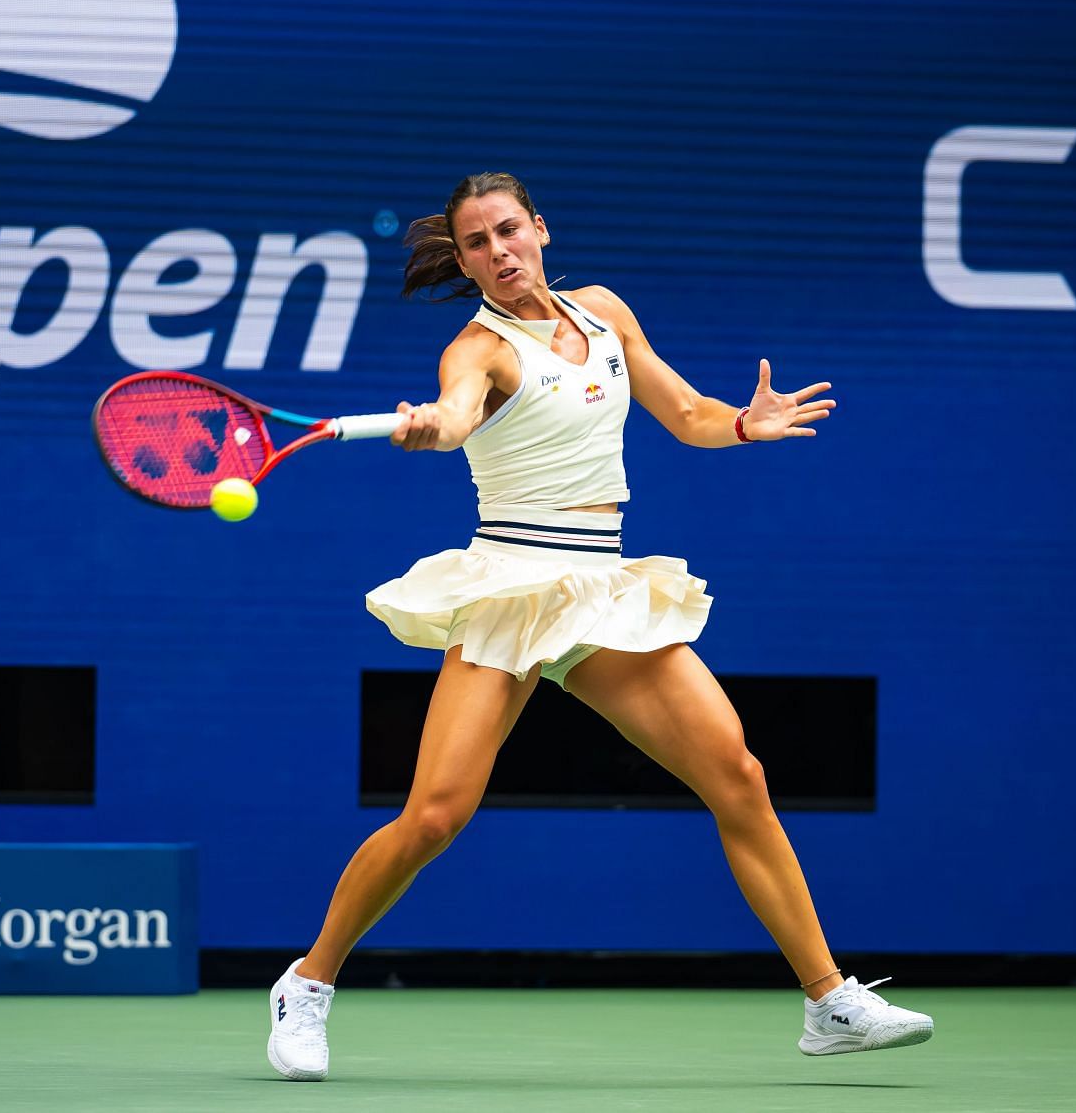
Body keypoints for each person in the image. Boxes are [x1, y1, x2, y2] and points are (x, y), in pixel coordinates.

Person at [266, 173, 933, 1081]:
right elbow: (460, 414)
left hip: (600, 585)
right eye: (476, 243)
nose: (498, 252)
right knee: (434, 815)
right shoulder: (476, 349)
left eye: (508, 230)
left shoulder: (606, 312)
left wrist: (744, 422)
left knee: (737, 772)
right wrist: (435, 426)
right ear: (462, 262)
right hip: (511, 584)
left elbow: (688, 413)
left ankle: (829, 1001)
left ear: (539, 229)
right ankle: (307, 982)